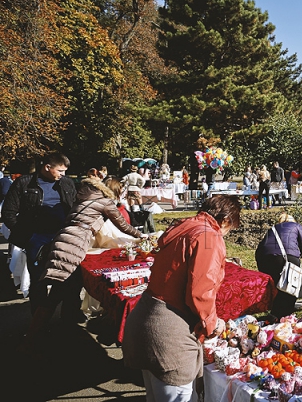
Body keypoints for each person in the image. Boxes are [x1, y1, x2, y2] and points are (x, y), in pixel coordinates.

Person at [123, 195, 242, 402]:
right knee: (177, 396)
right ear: (225, 220)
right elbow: (201, 290)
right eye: (229, 229)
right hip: (168, 335)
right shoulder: (208, 236)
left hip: (146, 319)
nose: (226, 234)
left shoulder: (186, 226)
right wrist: (212, 324)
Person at [22, 176, 145, 347]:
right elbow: (123, 226)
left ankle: (59, 330)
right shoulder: (104, 202)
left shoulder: (82, 200)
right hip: (74, 244)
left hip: (62, 239)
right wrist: (141, 236)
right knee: (58, 292)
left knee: (68, 287)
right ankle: (32, 338)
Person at [2, 152, 77, 314]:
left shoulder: (67, 183)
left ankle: (65, 315)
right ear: (47, 167)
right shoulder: (24, 183)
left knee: (68, 277)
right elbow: (8, 212)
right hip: (35, 239)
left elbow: (74, 207)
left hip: (63, 237)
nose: (63, 174)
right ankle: (38, 320)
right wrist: (27, 237)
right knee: (38, 280)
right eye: (60, 171)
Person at [255, 213, 302, 319]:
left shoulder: (272, 229)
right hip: (285, 257)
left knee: (278, 288)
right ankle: (283, 319)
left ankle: (274, 315)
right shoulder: (296, 226)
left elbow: (260, 249)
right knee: (290, 289)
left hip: (263, 258)